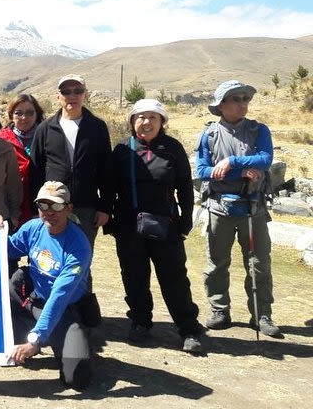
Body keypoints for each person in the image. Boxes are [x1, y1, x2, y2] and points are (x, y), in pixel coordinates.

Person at [104, 99, 204, 353]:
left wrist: (186, 220)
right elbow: (110, 186)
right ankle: (140, 322)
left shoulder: (173, 148)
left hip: (166, 224)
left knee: (174, 278)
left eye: (153, 117)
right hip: (128, 225)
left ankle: (188, 328)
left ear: (162, 122)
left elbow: (184, 185)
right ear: (131, 121)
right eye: (140, 117)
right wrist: (109, 218)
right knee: (134, 277)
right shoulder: (122, 149)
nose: (146, 122)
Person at [196, 80, 280, 337]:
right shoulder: (209, 135)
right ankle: (220, 310)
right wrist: (240, 171)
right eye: (236, 99)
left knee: (259, 264)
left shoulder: (258, 130)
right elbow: (202, 171)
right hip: (219, 209)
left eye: (245, 99)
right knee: (217, 263)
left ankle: (262, 314)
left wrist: (231, 161)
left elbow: (265, 159)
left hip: (253, 209)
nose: (243, 103)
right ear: (221, 105)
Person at [0, 181, 93, 390]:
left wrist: (35, 340)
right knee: (15, 282)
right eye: (43, 206)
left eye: (56, 206)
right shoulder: (33, 227)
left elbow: (60, 296)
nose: (49, 212)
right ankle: (26, 336)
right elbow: (6, 249)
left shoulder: (78, 246)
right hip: (34, 300)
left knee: (77, 379)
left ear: (68, 208)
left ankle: (47, 339)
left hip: (65, 309)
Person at [30, 74, 111, 290]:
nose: (72, 95)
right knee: (51, 256)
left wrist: (104, 207)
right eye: (66, 91)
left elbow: (106, 170)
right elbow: (36, 172)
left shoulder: (97, 127)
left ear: (85, 94)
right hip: (51, 207)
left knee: (81, 260)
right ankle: (48, 303)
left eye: (77, 91)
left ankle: (83, 307)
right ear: (58, 96)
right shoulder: (45, 129)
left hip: (85, 206)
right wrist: (36, 207)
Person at [0, 94, 45, 226]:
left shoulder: (47, 137)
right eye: (19, 113)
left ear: (37, 114)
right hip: (8, 209)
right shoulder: (0, 140)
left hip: (42, 208)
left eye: (30, 113)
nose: (24, 118)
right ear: (11, 115)